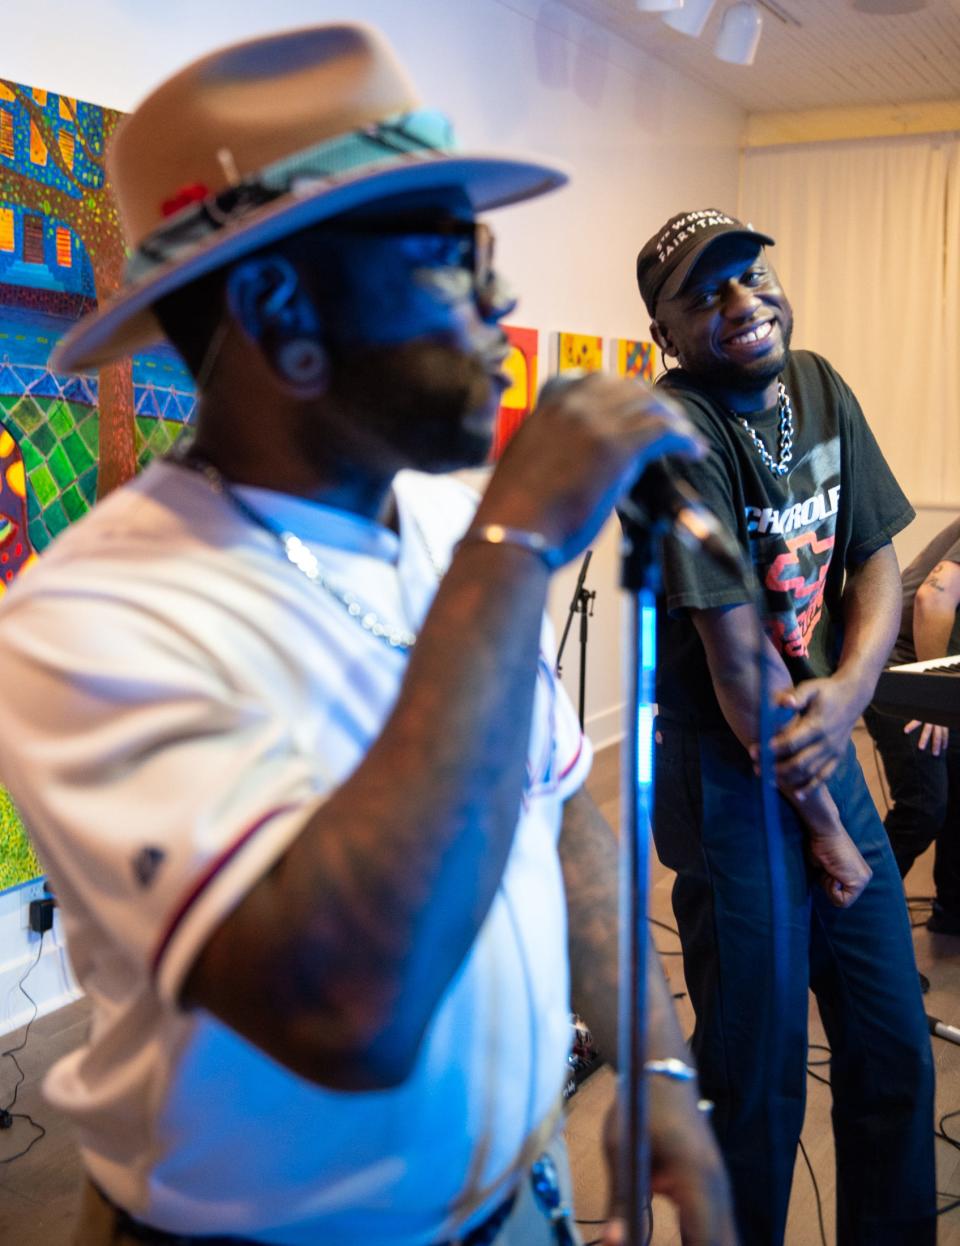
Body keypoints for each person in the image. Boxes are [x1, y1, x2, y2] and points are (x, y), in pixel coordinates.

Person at [0, 27, 737, 1246]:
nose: (502, 298)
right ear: (283, 308)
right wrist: (515, 547)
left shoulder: (446, 524)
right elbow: (345, 1009)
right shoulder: (88, 619)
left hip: (524, 1203)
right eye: (453, 263)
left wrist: (654, 1069)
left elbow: (564, 814)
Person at [633, 209, 936, 1245]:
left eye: (750, 275)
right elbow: (736, 665)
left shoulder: (820, 383)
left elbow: (877, 558)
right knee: (757, 1081)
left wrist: (850, 692)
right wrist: (830, 832)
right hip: (729, 768)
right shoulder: (675, 433)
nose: (742, 302)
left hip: (819, 737)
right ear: (664, 334)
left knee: (893, 1046)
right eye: (704, 295)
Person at [864, 517, 960, 934]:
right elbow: (932, 598)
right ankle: (859, 932)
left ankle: (952, 912)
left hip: (935, 670)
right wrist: (928, 694)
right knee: (924, 808)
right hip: (902, 671)